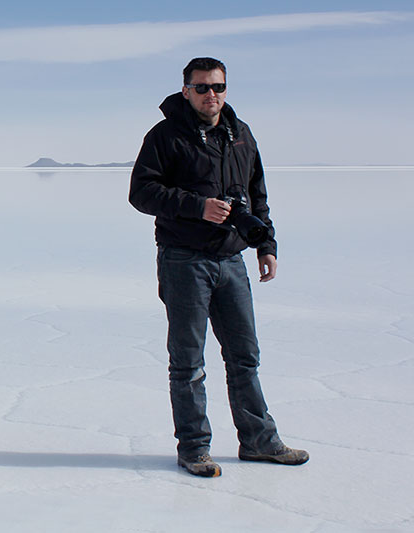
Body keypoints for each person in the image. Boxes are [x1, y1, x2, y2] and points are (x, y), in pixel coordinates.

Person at [128, 57, 308, 477]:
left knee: (245, 357)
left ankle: (259, 441)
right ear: (186, 90)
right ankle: (194, 448)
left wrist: (265, 243)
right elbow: (141, 192)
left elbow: (256, 194)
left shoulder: (240, 134)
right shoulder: (165, 136)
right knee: (188, 362)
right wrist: (198, 207)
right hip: (184, 260)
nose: (213, 95)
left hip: (232, 260)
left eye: (219, 87)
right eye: (203, 87)